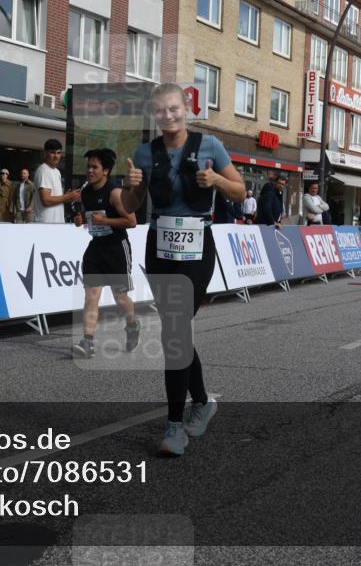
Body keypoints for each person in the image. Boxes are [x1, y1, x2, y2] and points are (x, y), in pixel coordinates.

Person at [122, 83, 246, 457]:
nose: (168, 115)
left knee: (175, 329)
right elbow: (131, 207)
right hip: (159, 248)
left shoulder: (210, 146)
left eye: (174, 108)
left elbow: (240, 192)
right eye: (160, 110)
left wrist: (218, 181)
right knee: (174, 333)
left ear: (185, 108)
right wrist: (130, 187)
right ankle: (203, 401)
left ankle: (175, 426)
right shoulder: (145, 152)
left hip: (198, 246)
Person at [70, 148, 140, 359]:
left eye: (95, 167)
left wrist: (105, 221)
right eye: (88, 166)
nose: (89, 171)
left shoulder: (115, 193)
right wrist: (80, 220)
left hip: (117, 248)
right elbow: (89, 218)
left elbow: (132, 221)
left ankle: (132, 324)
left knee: (120, 297)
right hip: (96, 247)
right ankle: (88, 341)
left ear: (106, 171)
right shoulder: (85, 192)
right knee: (91, 295)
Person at [33, 139, 81, 223]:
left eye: (58, 153)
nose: (56, 156)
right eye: (52, 152)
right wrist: (67, 196)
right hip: (46, 224)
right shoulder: (44, 170)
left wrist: (69, 197)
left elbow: (55, 198)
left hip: (56, 223)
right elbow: (46, 200)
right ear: (45, 153)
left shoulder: (56, 171)